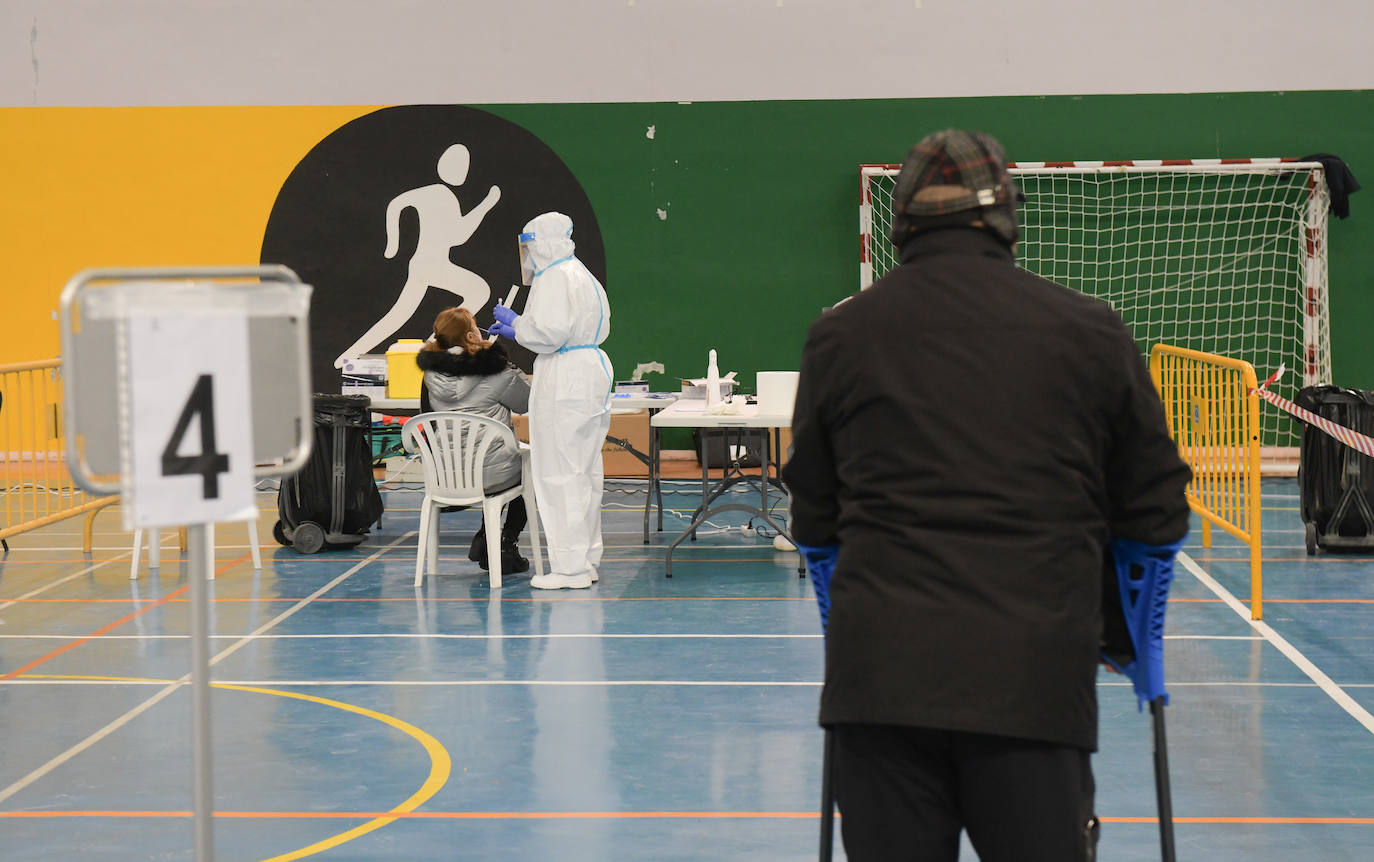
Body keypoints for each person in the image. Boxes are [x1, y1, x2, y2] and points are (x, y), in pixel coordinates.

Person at [781, 129, 1192, 862]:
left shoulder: (839, 336)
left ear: (901, 221)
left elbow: (813, 517)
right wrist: (1123, 637)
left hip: (879, 681)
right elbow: (1156, 513)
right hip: (1034, 683)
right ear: (1007, 215)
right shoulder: (1089, 330)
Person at [489, 212, 612, 590]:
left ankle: (569, 569)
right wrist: (522, 326)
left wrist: (517, 324)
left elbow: (549, 333)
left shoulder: (554, 277)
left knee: (560, 472)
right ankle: (586, 559)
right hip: (589, 372)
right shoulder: (580, 273)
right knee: (585, 471)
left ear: (540, 242)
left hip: (566, 378)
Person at [417, 306, 532, 574]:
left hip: (444, 476)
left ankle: (485, 539)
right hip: (489, 475)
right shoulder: (495, 370)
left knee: (488, 459)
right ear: (471, 335)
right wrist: (500, 358)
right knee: (526, 469)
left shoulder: (429, 375)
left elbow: (427, 418)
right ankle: (504, 544)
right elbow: (526, 401)